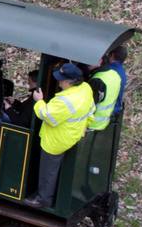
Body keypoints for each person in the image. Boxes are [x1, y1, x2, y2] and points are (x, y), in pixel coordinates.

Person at [24, 63, 96, 208]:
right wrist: (83, 127)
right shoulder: (86, 88)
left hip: (56, 140)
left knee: (47, 171)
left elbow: (47, 115)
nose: (59, 81)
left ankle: (43, 199)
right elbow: (91, 110)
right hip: (72, 134)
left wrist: (39, 101)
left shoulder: (65, 101)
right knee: (51, 170)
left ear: (70, 82)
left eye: (61, 79)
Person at [88, 46, 127, 131]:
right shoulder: (121, 73)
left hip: (95, 119)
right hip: (109, 114)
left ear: (112, 55)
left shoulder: (106, 73)